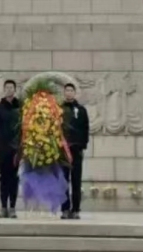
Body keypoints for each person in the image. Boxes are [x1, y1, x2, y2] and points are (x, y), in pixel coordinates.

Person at [0, 78, 21, 218]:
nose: (9, 90)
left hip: (16, 149)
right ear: (4, 90)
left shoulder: (20, 108)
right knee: (3, 177)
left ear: (15, 90)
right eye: (7, 87)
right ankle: (3, 207)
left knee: (14, 178)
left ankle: (13, 207)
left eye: (11, 87)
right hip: (2, 149)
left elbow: (24, 129)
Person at [60, 83, 89, 220]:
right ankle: (65, 209)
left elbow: (85, 129)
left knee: (76, 180)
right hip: (63, 151)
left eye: (71, 90)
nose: (69, 93)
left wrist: (83, 146)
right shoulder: (58, 110)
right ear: (64, 93)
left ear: (74, 93)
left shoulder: (81, 110)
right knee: (63, 181)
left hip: (76, 150)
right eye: (67, 90)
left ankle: (76, 209)